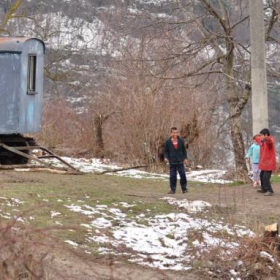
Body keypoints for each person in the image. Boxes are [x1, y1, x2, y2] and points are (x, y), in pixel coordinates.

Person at [164, 127, 188, 194]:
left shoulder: (181, 141)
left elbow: (184, 150)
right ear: (171, 133)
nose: (175, 134)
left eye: (176, 132)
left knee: (182, 174)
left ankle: (184, 189)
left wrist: (185, 158)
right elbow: (165, 151)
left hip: (180, 161)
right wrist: (166, 158)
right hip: (172, 161)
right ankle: (172, 189)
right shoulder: (168, 142)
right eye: (174, 133)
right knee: (172, 176)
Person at [256, 128, 276, 196]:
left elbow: (271, 141)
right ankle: (264, 189)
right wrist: (258, 135)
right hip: (264, 163)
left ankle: (269, 190)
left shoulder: (269, 140)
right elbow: (256, 138)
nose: (260, 136)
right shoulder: (262, 141)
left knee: (265, 177)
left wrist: (266, 138)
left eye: (261, 135)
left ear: (266, 135)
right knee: (261, 176)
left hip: (269, 163)